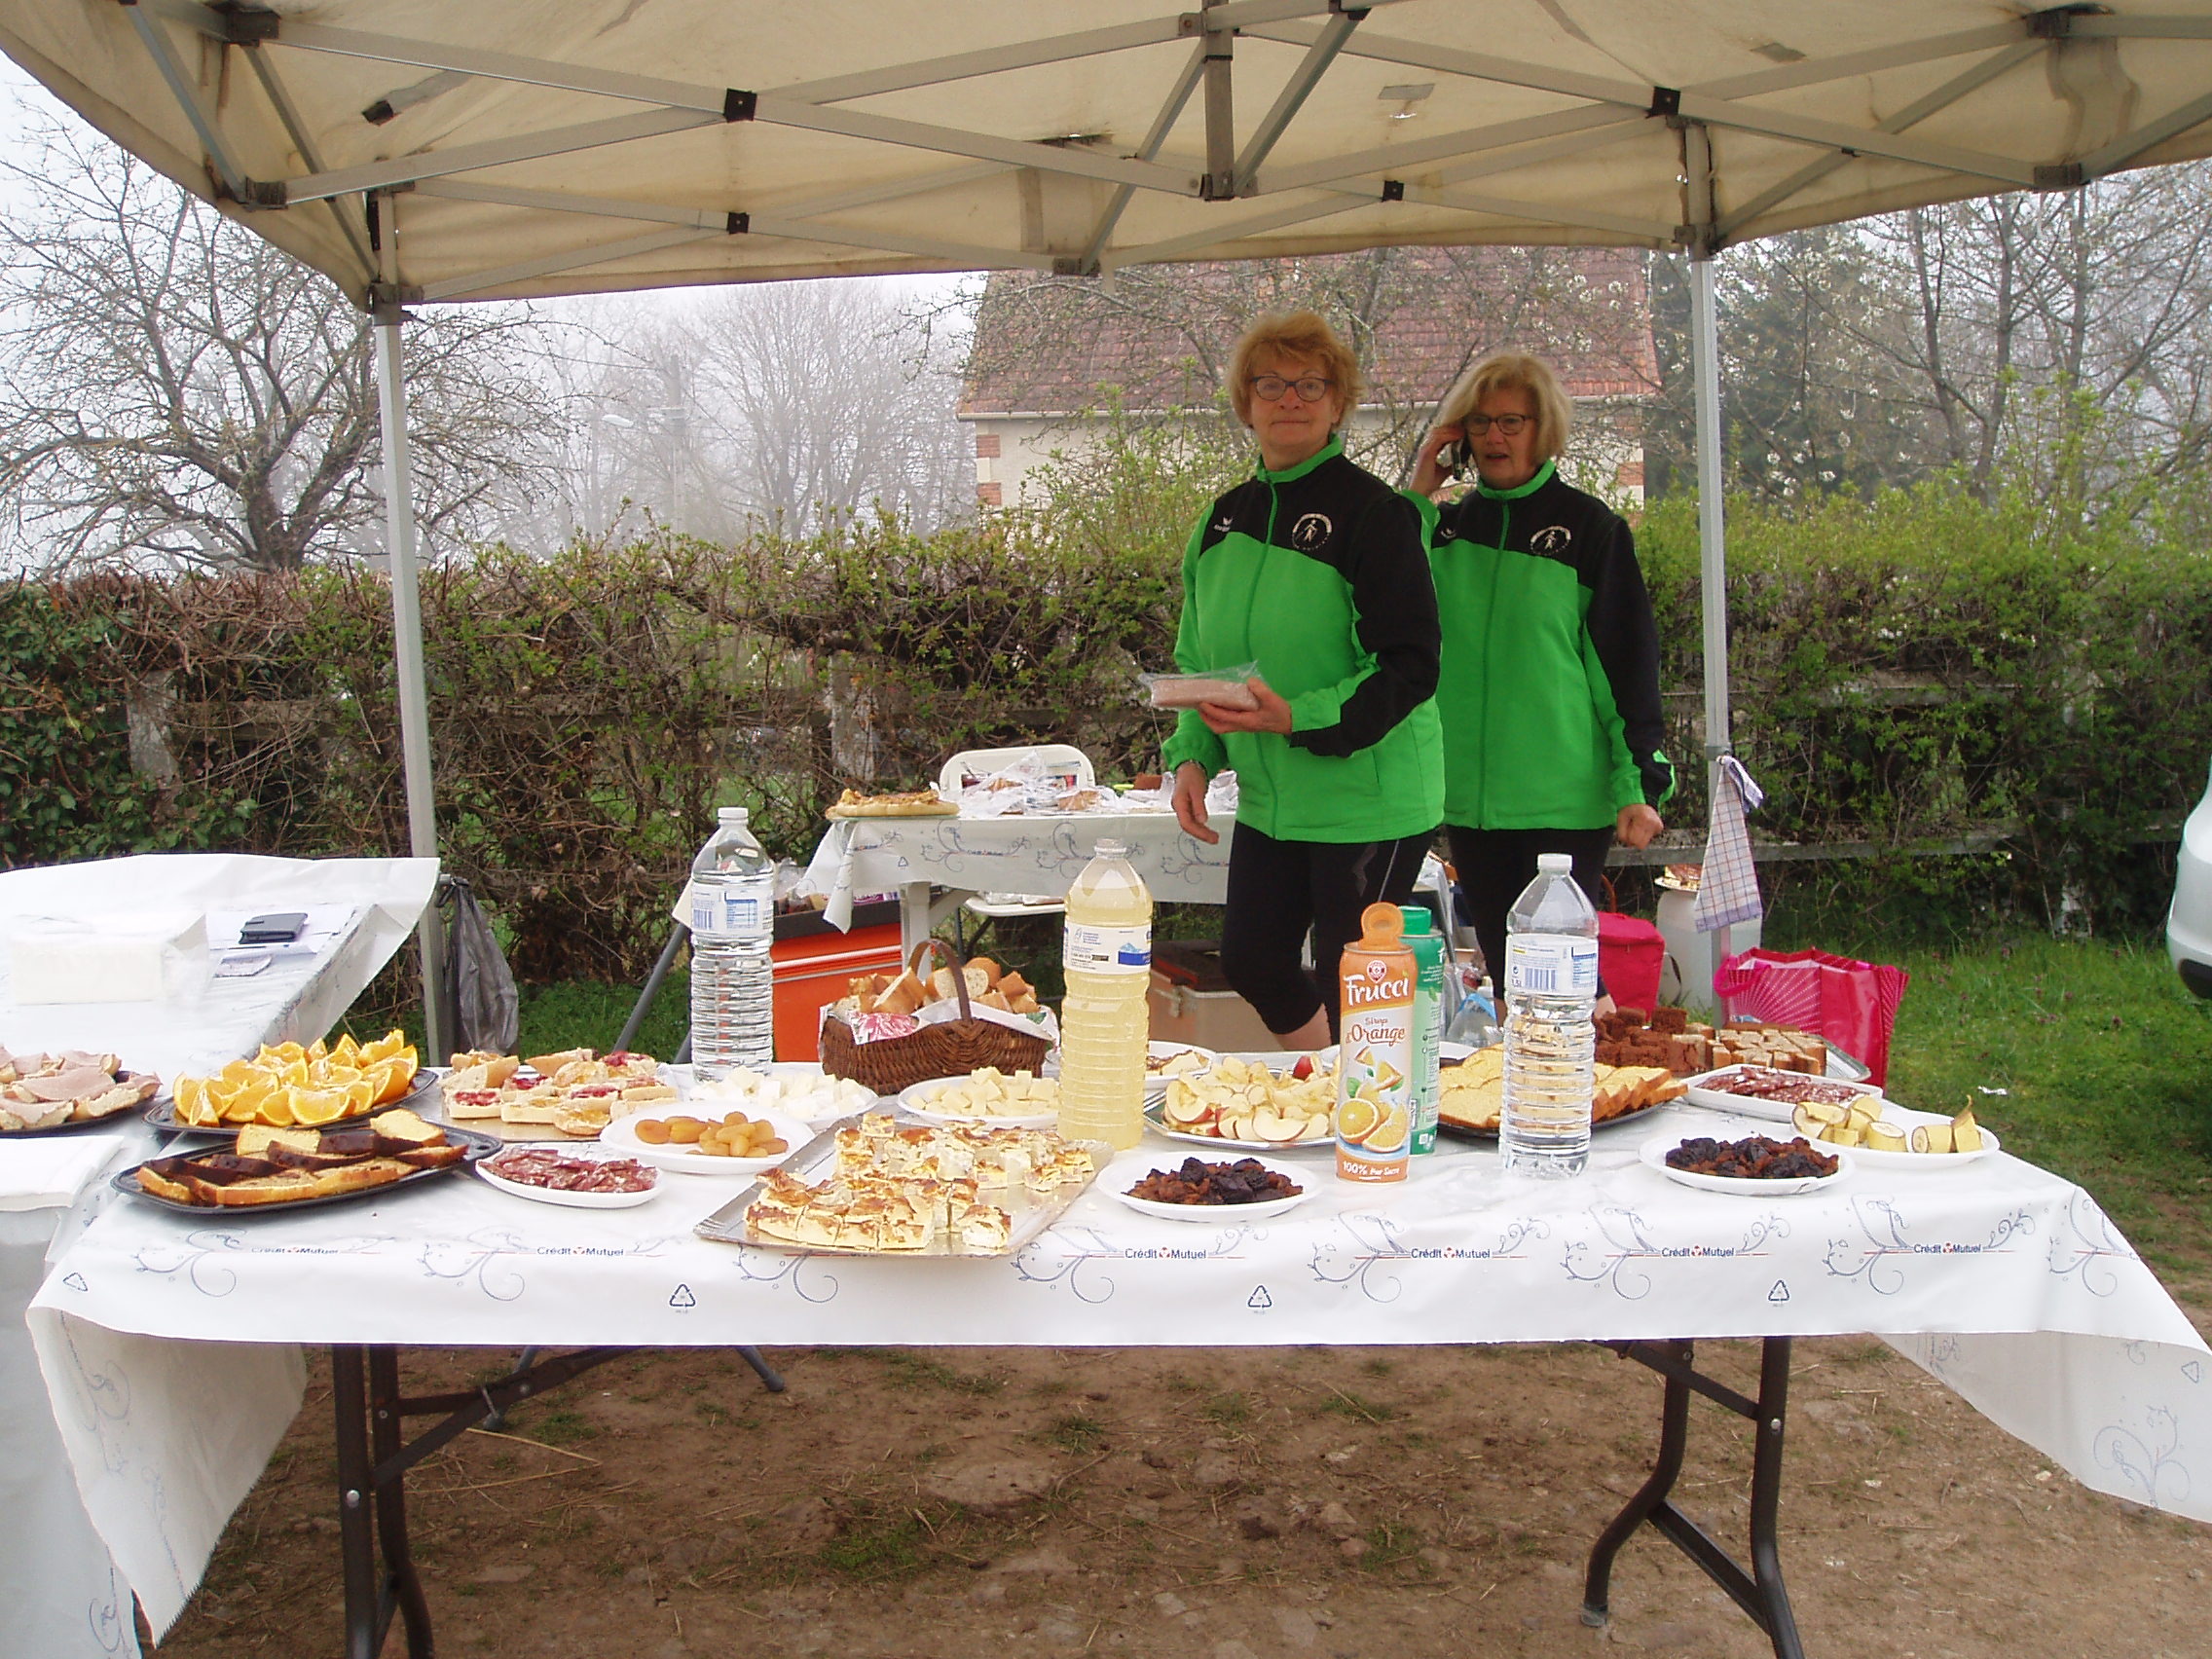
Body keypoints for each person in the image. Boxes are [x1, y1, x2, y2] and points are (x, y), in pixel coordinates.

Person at [1164, 311, 1444, 1049]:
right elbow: (1199, 662)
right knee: (1254, 961)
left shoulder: (1375, 515)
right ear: (1246, 401)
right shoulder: (1222, 520)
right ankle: (1331, 1092)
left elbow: (1411, 664)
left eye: (1311, 385)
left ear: (1337, 403)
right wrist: (1193, 755)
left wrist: (1297, 716)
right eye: (1272, 384)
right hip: (1270, 800)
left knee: (1352, 981)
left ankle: (1365, 1130)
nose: (1291, 399)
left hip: (1370, 798)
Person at [1408, 351, 1674, 1009]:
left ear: (1542, 429)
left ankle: (1603, 1087)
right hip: (1469, 798)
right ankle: (1544, 1094)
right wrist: (1420, 485)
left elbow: (1626, 668)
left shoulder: (1592, 530)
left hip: (1562, 798)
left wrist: (1637, 783)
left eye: (1511, 422)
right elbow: (1377, 579)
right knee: (1507, 969)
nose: (1494, 437)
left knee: (1558, 968)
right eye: (1480, 423)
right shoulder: (1442, 528)